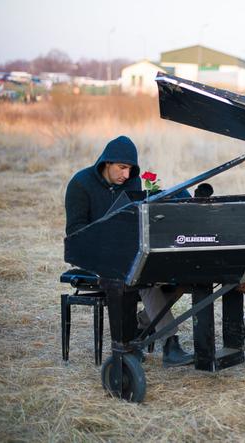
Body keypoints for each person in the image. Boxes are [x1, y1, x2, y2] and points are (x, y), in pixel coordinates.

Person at [64, 135, 194, 367]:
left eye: (130, 169)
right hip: (93, 255)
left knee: (181, 276)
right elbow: (75, 233)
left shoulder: (131, 182)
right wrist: (106, 232)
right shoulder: (80, 184)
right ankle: (170, 343)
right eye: (122, 168)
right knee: (141, 276)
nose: (126, 174)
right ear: (106, 163)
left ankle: (136, 326)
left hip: (126, 251)